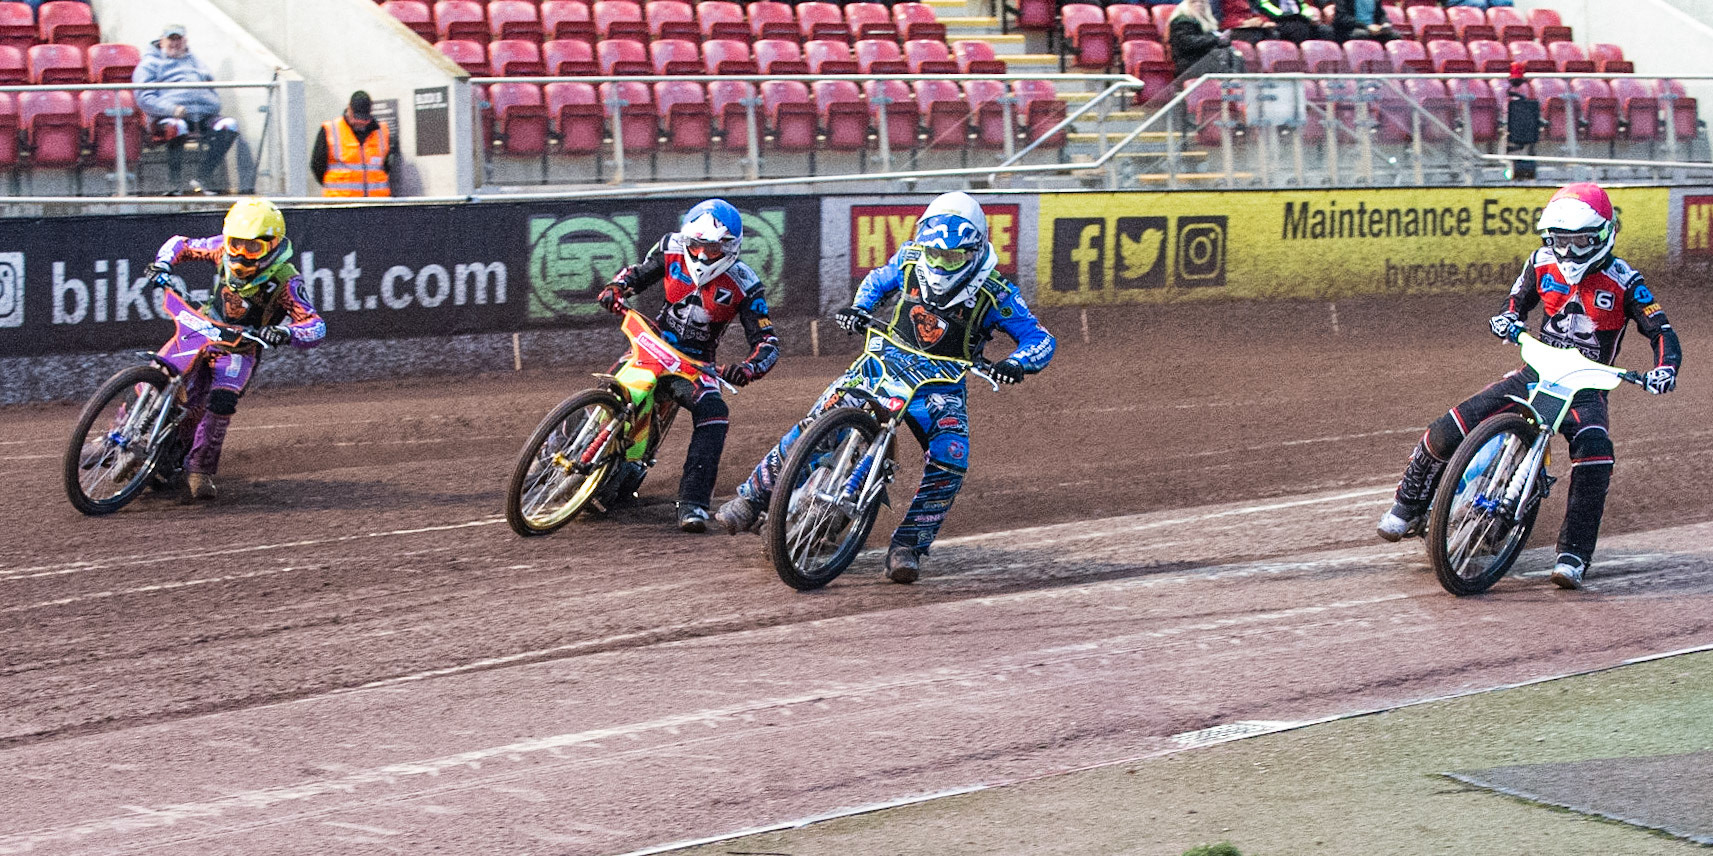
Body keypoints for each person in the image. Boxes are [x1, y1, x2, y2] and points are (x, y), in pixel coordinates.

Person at [714, 192, 1057, 584]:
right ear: (924, 243)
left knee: (952, 458)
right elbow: (877, 280)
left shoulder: (996, 292)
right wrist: (860, 308)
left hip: (940, 385)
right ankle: (751, 497)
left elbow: (1040, 339)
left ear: (976, 249)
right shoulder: (911, 258)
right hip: (882, 362)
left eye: (954, 257)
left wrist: (1016, 363)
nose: (942, 263)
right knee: (818, 419)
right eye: (936, 254)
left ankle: (908, 545)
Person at [1376, 183, 1682, 589]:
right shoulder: (1540, 263)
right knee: (1446, 428)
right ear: (1548, 238)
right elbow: (1515, 302)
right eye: (1561, 241)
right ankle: (1408, 504)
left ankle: (1574, 554)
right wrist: (1506, 318)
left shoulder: (1625, 280)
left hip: (1586, 387)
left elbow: (1661, 330)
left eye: (1582, 242)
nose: (1570, 252)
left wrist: (1665, 369)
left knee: (1596, 454)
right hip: (1534, 373)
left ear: (1605, 235)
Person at [596, 198, 780, 533]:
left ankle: (693, 502)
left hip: (695, 365)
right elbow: (637, 274)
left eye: (712, 250)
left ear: (730, 248)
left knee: (715, 414)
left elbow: (768, 343)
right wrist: (616, 287)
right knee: (608, 390)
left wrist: (747, 368)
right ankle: (551, 457)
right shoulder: (670, 248)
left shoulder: (745, 283)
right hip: (653, 344)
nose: (702, 256)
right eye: (696, 246)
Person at [142, 198, 327, 500]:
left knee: (221, 400)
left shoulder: (286, 280)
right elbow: (181, 244)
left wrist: (284, 332)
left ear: (274, 245)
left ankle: (200, 469)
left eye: (254, 248)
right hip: (202, 327)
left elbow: (315, 324)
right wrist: (163, 263)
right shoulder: (220, 247)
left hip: (241, 348)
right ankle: (120, 429)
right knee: (159, 370)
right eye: (237, 244)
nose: (242, 254)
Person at [133, 24, 239, 195]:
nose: (175, 43)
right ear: (162, 41)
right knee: (177, 126)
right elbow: (144, 99)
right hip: (169, 116)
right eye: (171, 39)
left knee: (229, 125)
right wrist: (171, 109)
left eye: (178, 39)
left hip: (204, 114)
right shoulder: (150, 63)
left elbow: (211, 86)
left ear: (185, 40)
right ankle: (175, 184)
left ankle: (203, 177)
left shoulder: (195, 61)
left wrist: (211, 104)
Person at [311, 91, 397, 197]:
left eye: (364, 118)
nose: (360, 122)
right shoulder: (330, 130)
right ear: (349, 109)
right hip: (341, 205)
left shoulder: (381, 132)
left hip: (375, 205)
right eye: (356, 117)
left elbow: (386, 166)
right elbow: (317, 166)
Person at [1168, 0, 1232, 78]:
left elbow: (1213, 40)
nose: (1198, 4)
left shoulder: (1206, 22)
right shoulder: (1181, 21)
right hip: (1190, 64)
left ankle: (1236, 84)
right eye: (1193, 2)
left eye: (1202, 2)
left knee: (1233, 53)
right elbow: (1188, 43)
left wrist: (1224, 40)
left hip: (1205, 60)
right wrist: (1216, 39)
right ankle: (1233, 84)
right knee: (1226, 59)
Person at [1245, 0, 1334, 43]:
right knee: (1297, 28)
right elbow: (1265, 6)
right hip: (1278, 21)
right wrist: (1287, 15)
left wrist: (1310, 17)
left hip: (1299, 19)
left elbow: (1302, 6)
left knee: (1326, 30)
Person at [1332, 0, 1398, 42]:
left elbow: (1381, 15)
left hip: (1374, 31)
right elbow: (1341, 18)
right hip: (1351, 29)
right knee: (1363, 34)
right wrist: (1366, 26)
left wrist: (1385, 23)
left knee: (1395, 36)